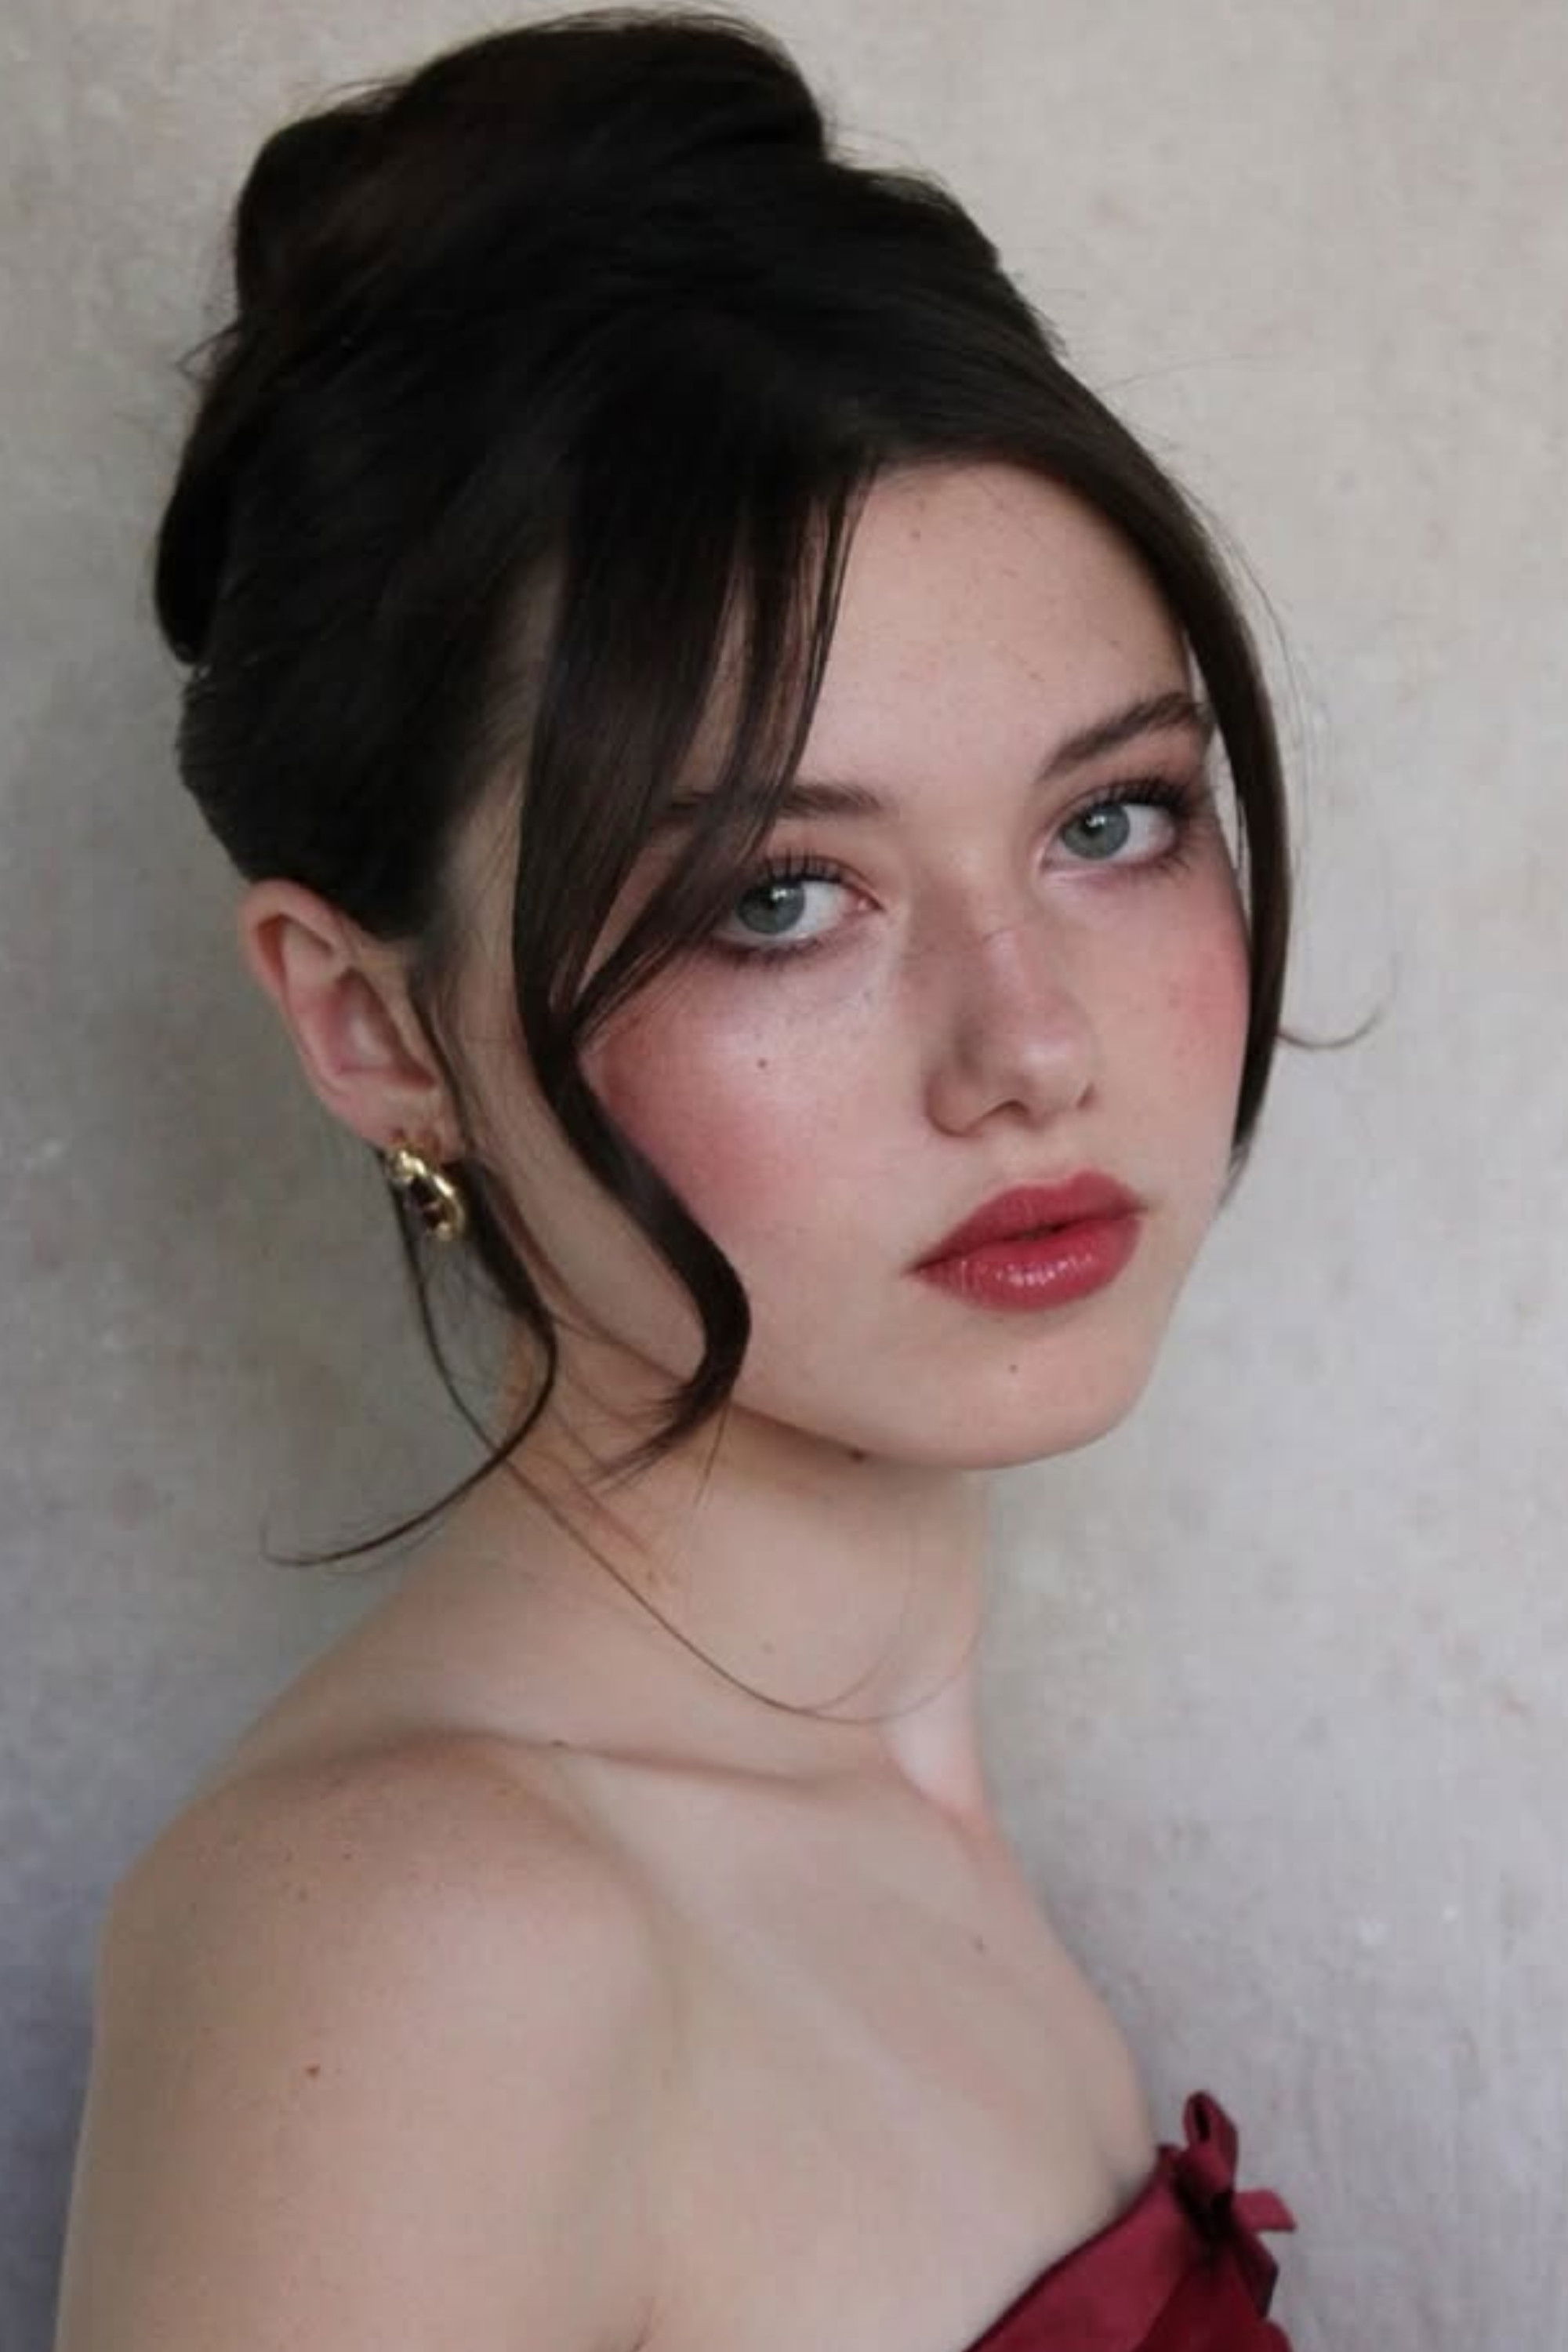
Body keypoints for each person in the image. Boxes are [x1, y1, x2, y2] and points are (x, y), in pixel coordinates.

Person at [52, 11, 1301, 2348]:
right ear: (371, 1022)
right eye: (778, 899)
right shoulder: (421, 1952)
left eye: (1112, 819)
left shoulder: (864, 1823)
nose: (1032, 1050)